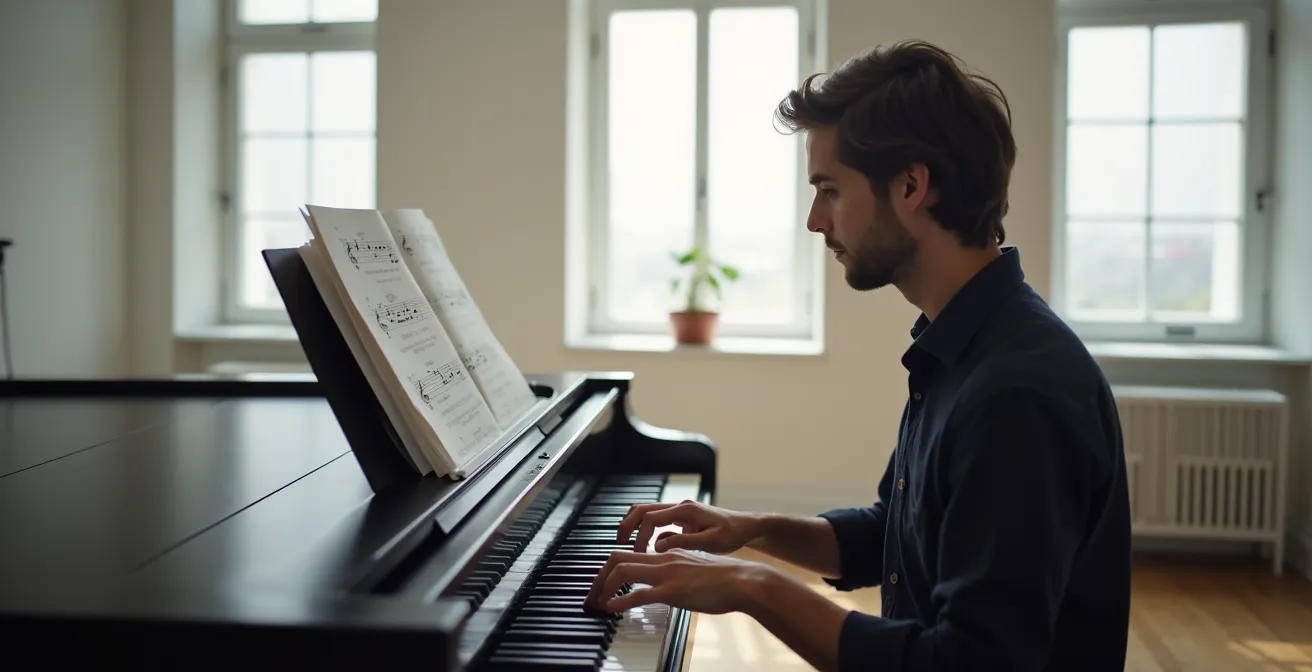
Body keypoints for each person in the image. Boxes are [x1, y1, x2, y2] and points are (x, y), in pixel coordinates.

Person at [582, 39, 1132, 671]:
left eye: (829, 190)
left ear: (910, 185)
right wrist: (752, 529)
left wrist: (749, 585)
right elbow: (890, 537)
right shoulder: (964, 345)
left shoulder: (1018, 392)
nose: (816, 221)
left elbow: (970, 662)